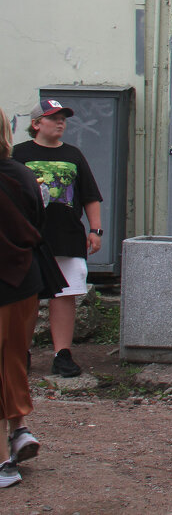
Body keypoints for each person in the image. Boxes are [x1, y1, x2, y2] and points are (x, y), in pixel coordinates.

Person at [12, 99, 102, 378]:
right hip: (28, 237)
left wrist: (95, 229)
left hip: (67, 236)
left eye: (63, 117)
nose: (61, 122)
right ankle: (20, 353)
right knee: (27, 297)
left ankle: (62, 354)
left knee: (65, 295)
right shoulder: (18, 154)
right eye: (53, 118)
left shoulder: (73, 155)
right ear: (37, 124)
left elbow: (90, 195)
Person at [0, 108, 45, 488]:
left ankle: (3, 463)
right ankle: (19, 430)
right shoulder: (22, 173)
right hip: (24, 280)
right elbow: (37, 221)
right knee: (12, 358)